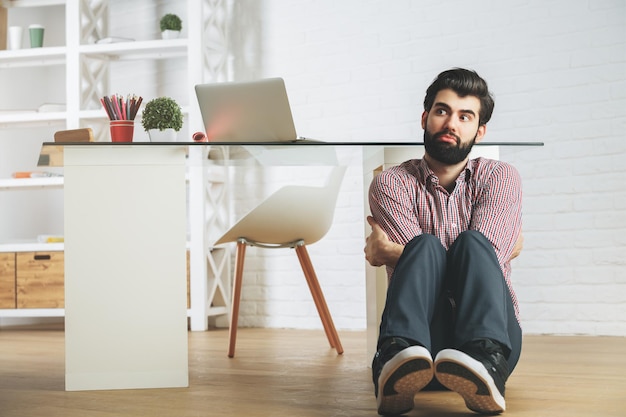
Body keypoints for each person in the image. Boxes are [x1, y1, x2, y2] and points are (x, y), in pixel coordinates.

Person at [365, 68, 524, 416]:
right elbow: (426, 268)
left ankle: (485, 366)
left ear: (479, 131)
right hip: (421, 346)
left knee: (472, 244)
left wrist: (389, 253)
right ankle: (394, 360)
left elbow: (488, 261)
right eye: (442, 111)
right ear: (425, 118)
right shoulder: (391, 184)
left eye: (464, 116)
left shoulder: (500, 177)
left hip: (494, 340)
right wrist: (410, 254)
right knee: (425, 248)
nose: (451, 123)